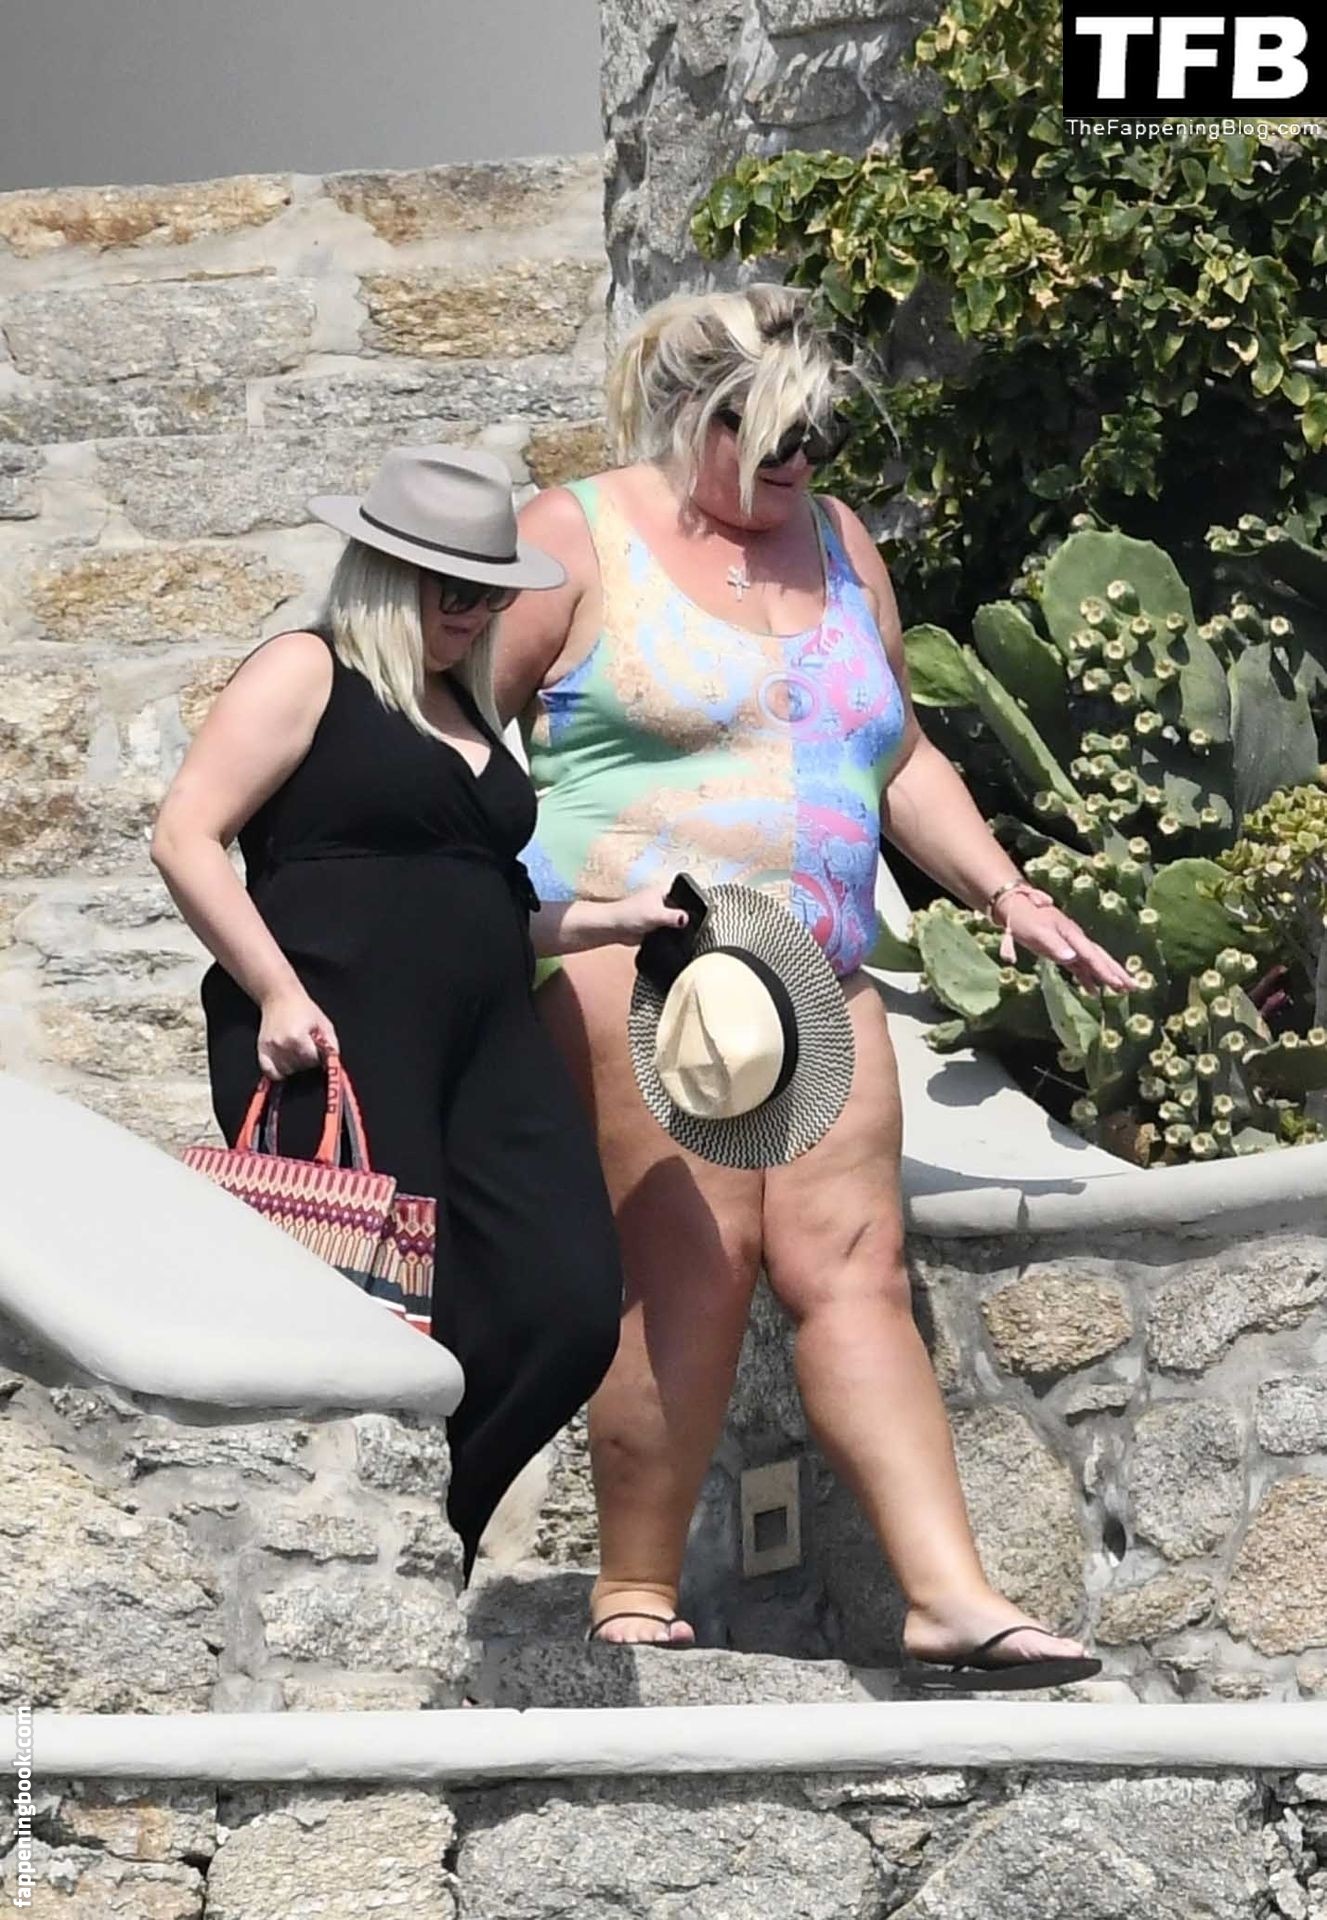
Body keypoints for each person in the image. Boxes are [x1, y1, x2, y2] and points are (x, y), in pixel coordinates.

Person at [494, 286, 1135, 1683]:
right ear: (694, 416)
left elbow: (894, 754)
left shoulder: (839, 543)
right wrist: (488, 911)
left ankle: (946, 1596)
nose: (799, 461)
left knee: (854, 1268)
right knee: (696, 1262)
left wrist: (1006, 893)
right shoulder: (576, 536)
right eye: (771, 434)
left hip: (816, 963)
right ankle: (632, 1587)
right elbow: (455, 724)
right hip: (647, 954)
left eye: (818, 435)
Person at [152, 444, 690, 1578]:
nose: (472, 609)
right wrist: (275, 990)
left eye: (490, 591)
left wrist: (610, 919)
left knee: (566, 1299)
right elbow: (186, 834)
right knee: (378, 1308)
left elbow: (484, 906)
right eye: (450, 586)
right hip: (336, 1036)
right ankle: (383, 1558)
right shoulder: (308, 667)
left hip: (486, 1042)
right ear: (385, 571)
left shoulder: (466, 704)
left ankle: (436, 1519)